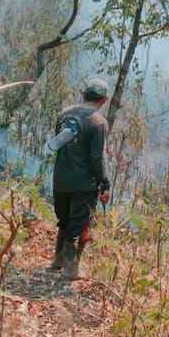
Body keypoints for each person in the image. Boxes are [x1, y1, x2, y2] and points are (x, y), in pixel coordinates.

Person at [49, 79, 111, 280]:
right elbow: (97, 157)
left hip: (61, 178)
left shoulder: (64, 114)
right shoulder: (98, 122)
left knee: (64, 220)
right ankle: (71, 268)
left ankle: (58, 260)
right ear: (104, 100)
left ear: (83, 93)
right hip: (84, 184)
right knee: (78, 223)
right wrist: (105, 183)